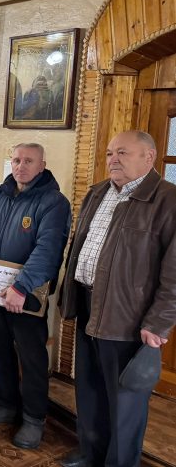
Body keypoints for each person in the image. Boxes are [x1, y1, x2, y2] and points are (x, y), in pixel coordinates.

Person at [57, 131, 176, 467]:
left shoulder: (168, 201)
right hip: (87, 305)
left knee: (125, 402)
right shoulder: (97, 193)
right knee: (90, 390)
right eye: (110, 153)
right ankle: (91, 454)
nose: (113, 160)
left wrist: (159, 322)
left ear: (149, 157)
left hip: (130, 318)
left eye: (122, 152)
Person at [0, 143, 71, 449]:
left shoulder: (54, 203)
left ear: (42, 165)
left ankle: (33, 419)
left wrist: (21, 287)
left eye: (29, 161)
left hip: (27, 297)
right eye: (16, 160)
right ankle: (6, 403)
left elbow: (48, 250)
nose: (21, 166)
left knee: (32, 358)